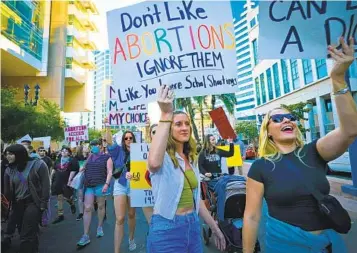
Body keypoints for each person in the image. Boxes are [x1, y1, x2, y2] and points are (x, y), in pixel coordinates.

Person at [243, 37, 356, 253]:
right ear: (267, 131)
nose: (286, 120)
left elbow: (350, 130)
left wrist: (338, 79)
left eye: (290, 116)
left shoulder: (314, 151)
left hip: (328, 245)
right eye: (277, 119)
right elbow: (252, 216)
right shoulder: (260, 167)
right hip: (285, 245)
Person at [147, 86, 226, 252]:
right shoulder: (164, 157)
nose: (184, 127)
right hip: (167, 229)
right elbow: (153, 164)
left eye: (187, 124)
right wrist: (166, 114)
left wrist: (215, 228)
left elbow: (196, 199)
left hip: (193, 226)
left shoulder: (192, 158)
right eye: (178, 124)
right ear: (169, 128)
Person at [3, 144, 50, 253]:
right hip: (18, 204)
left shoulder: (37, 164)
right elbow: (7, 192)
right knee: (24, 231)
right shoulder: (9, 169)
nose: (7, 156)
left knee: (26, 235)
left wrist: (43, 204)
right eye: (6, 154)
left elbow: (46, 186)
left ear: (19, 154)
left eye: (11, 154)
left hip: (33, 203)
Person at [104, 124, 138, 253]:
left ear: (134, 139)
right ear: (123, 140)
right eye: (126, 138)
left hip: (135, 184)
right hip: (121, 184)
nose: (129, 140)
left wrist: (147, 125)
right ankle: (116, 250)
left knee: (131, 214)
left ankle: (131, 238)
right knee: (119, 218)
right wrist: (107, 126)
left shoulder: (140, 151)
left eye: (131, 138)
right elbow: (109, 141)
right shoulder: (118, 150)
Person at [77, 139, 113, 247]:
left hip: (101, 185)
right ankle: (85, 235)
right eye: (92, 145)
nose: (93, 147)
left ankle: (99, 226)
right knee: (87, 208)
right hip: (89, 185)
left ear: (101, 146)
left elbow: (110, 171)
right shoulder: (89, 157)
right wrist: (82, 168)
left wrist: (106, 184)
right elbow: (83, 168)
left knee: (101, 206)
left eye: (96, 145)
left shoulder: (107, 157)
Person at [51, 146, 79, 223]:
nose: (64, 152)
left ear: (69, 153)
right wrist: (51, 178)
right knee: (59, 197)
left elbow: (73, 171)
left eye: (66, 151)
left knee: (67, 197)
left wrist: (69, 181)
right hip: (58, 181)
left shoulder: (72, 160)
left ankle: (72, 203)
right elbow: (54, 169)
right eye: (62, 151)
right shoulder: (58, 160)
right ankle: (60, 215)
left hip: (67, 181)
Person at [74, 145, 89, 221]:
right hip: (80, 178)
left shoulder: (90, 156)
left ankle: (87, 210)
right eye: (85, 147)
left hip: (89, 178)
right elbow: (73, 169)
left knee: (88, 195)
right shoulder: (76, 158)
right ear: (81, 149)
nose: (87, 148)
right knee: (80, 196)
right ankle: (81, 213)